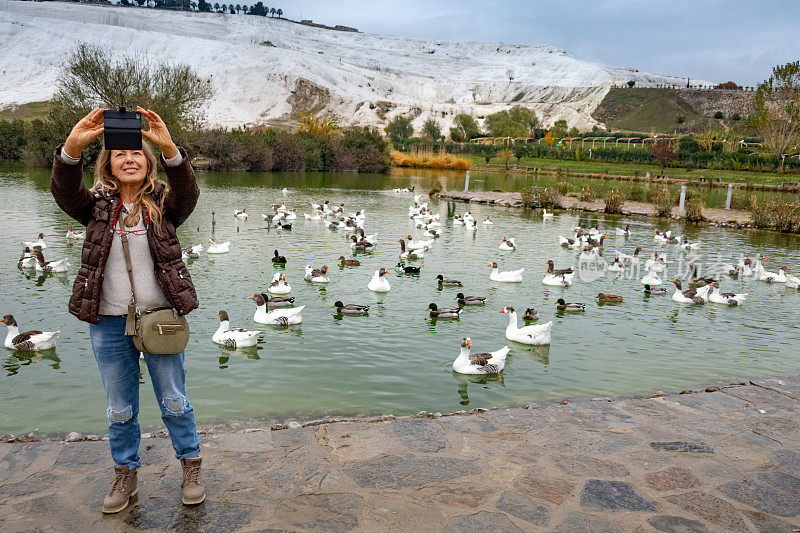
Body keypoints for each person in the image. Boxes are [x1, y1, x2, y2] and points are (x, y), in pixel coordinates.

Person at [50, 107, 204, 514]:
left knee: (174, 400)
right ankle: (125, 473)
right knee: (120, 408)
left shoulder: (167, 207)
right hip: (108, 322)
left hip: (162, 320)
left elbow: (188, 191)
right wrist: (71, 147)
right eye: (120, 155)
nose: (130, 158)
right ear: (109, 166)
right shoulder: (95, 207)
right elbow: (64, 191)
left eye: (137, 153)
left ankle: (191, 467)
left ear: (148, 162)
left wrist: (170, 148)